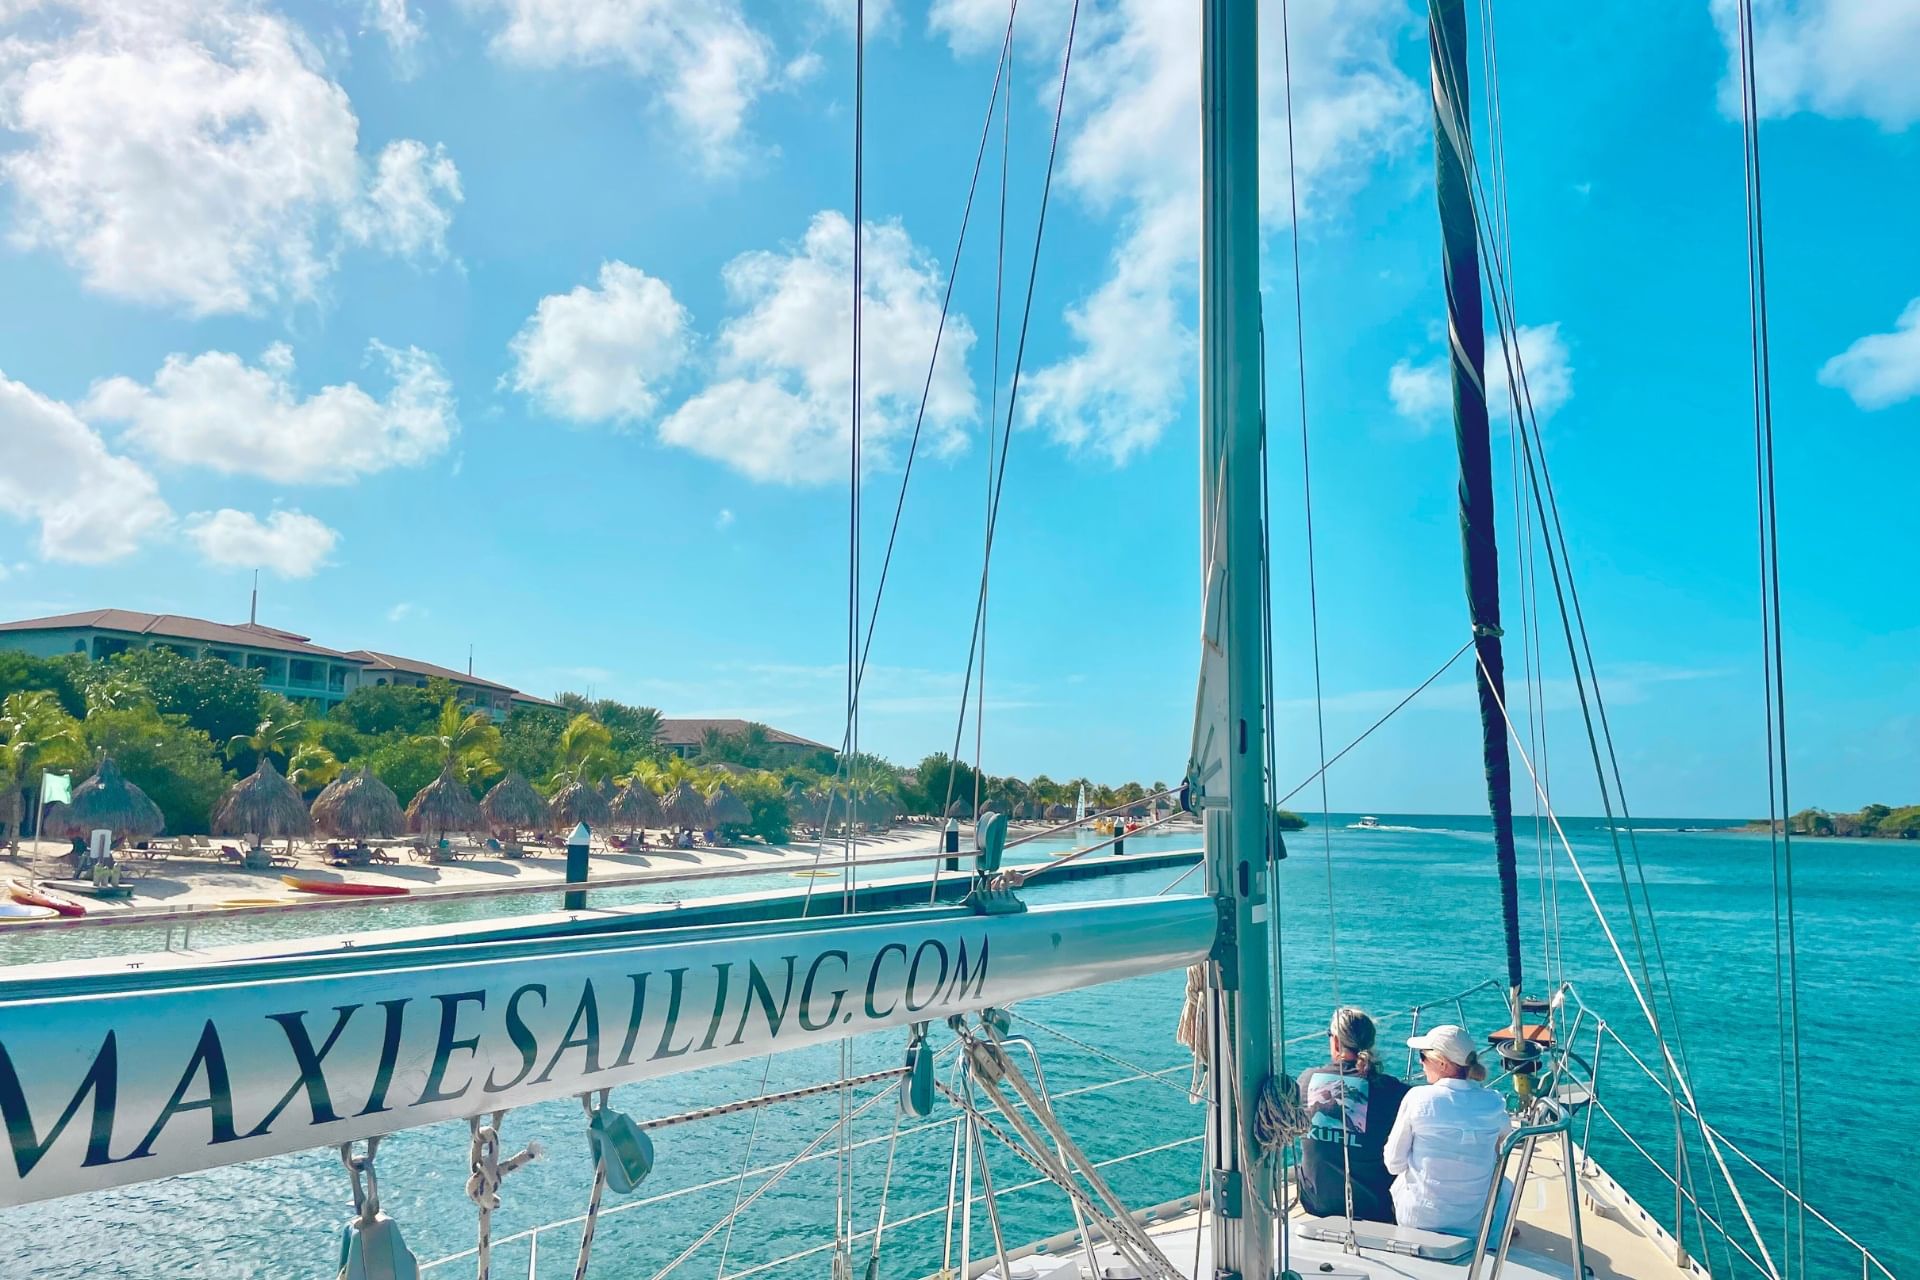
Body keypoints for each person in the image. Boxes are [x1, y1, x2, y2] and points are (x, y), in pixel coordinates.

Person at [1384, 1024, 1512, 1235]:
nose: (1420, 1062)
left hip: (1418, 1220)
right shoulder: (1494, 1102)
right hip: (1476, 1224)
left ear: (1442, 1063)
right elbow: (1506, 1137)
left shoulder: (1418, 1098)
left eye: (1423, 1057)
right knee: (1504, 1184)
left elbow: (1393, 1164)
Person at [1295, 1007, 1408, 1223]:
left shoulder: (1307, 1080)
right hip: (1375, 1207)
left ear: (1335, 1042)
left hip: (1317, 1203)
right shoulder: (1395, 1092)